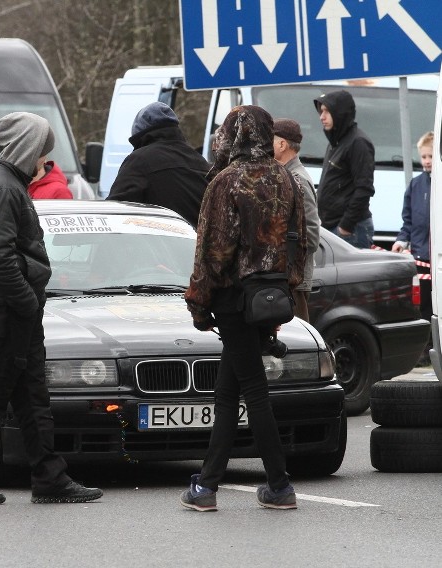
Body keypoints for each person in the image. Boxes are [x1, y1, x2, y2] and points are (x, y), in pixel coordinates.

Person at [0, 111, 102, 505]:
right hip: (9, 311)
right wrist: (27, 303)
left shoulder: (10, 185)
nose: (47, 160)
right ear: (26, 147)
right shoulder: (3, 189)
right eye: (42, 150)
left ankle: (49, 478)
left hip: (17, 310)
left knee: (32, 396)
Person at [183, 106, 306, 511]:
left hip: (234, 298)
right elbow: (299, 242)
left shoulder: (226, 181)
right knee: (228, 388)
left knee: (252, 388)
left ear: (232, 135)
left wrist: (199, 305)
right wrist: (286, 289)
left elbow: (212, 252)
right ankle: (208, 484)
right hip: (270, 299)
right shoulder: (284, 179)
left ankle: (279, 484)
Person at [106, 101, 210, 227]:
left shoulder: (140, 160)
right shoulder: (198, 159)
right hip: (198, 242)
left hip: (162, 241)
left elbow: (114, 210)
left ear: (139, 135)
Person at [272, 118, 321, 322]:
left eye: (270, 140)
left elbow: (311, 236)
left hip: (294, 281)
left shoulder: (297, 178)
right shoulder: (287, 174)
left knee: (297, 342)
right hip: (289, 279)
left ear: (282, 144)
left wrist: (283, 256)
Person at [314, 90, 375, 249]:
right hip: (331, 227)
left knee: (354, 275)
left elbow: (364, 188)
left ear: (340, 113)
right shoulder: (336, 142)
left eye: (327, 111)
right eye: (321, 111)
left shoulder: (358, 142)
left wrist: (345, 227)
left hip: (351, 230)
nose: (322, 117)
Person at [393, 132, 433, 361]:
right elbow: (408, 221)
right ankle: (424, 350)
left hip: (435, 259)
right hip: (420, 255)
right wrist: (401, 241)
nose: (426, 161)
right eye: (423, 156)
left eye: (430, 156)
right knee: (422, 306)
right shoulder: (416, 185)